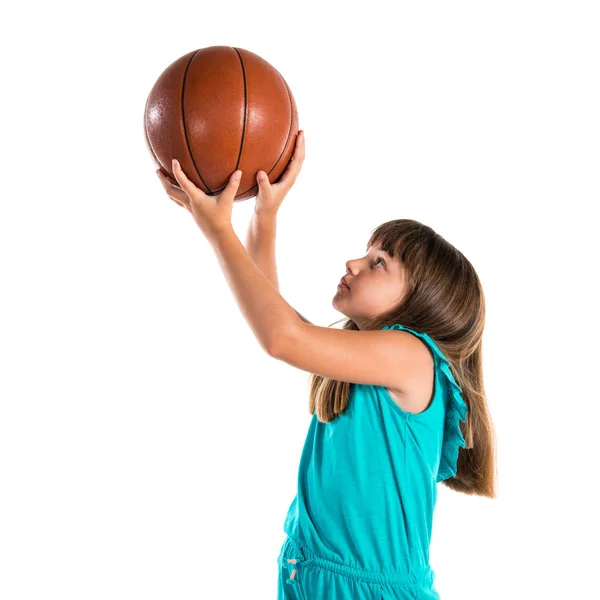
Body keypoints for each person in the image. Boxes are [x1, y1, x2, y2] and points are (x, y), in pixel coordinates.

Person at [159, 130, 497, 600]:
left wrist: (218, 229)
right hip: (310, 577)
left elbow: (281, 336)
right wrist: (266, 212)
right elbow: (271, 311)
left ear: (423, 304)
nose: (354, 262)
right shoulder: (365, 359)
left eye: (379, 263)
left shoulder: (412, 357)